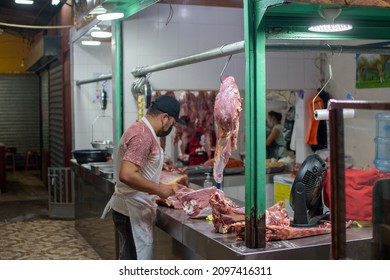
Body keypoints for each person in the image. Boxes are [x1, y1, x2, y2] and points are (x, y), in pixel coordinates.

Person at [101, 94, 185, 260]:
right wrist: (159, 189)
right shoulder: (143, 135)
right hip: (131, 211)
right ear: (165, 117)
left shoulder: (141, 129)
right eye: (172, 123)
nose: (171, 128)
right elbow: (127, 174)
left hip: (130, 209)